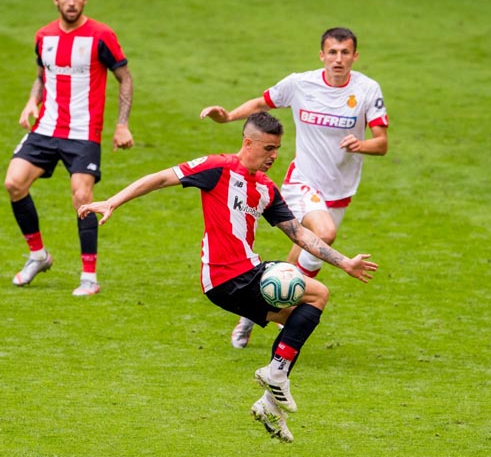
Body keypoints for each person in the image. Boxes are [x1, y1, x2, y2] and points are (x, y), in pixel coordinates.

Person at [78, 112, 378, 442]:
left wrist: (344, 263)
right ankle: (275, 375)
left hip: (240, 277)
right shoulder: (217, 168)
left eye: (277, 149)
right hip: (228, 276)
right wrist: (113, 201)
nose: (274, 156)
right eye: (268, 148)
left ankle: (269, 404)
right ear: (247, 143)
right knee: (317, 294)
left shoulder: (265, 188)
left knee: (299, 321)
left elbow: (300, 235)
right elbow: (161, 178)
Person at [200, 27, 388, 347]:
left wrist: (362, 145)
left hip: (340, 190)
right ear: (322, 55)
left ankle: (258, 305)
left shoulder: (368, 90)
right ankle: (276, 302)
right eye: (332, 52)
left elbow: (382, 144)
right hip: (303, 180)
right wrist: (229, 115)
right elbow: (263, 101)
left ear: (355, 56)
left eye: (345, 53)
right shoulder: (301, 84)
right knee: (324, 234)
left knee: (305, 255)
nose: (338, 59)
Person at [4, 0, 134, 296]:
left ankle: (89, 278)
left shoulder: (101, 35)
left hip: (83, 132)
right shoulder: (43, 36)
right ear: (56, 0)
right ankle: (39, 256)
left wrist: (122, 124)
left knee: (82, 197)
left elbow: (125, 79)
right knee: (14, 183)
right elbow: (41, 75)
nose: (72, 2)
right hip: (46, 127)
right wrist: (30, 101)